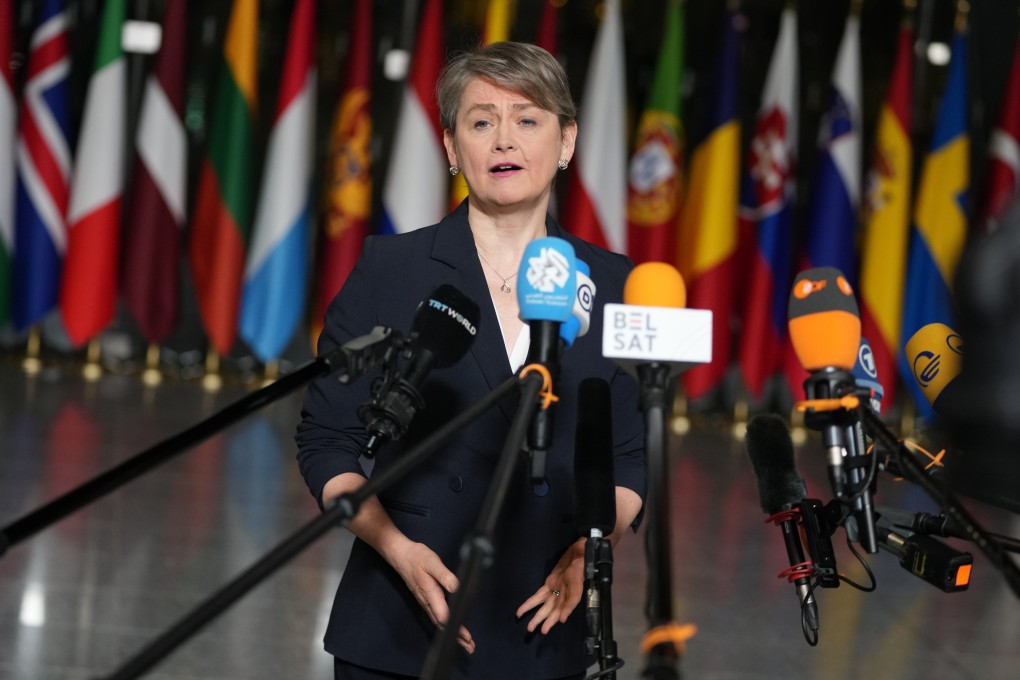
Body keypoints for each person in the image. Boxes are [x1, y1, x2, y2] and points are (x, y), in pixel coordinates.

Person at [296, 41, 646, 680]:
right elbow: (327, 442)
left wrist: (592, 549)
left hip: (544, 629)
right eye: (482, 122)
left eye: (528, 119)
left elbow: (628, 459)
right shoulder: (391, 269)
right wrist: (396, 549)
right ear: (452, 148)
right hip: (396, 625)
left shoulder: (618, 284)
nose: (504, 140)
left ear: (567, 141)